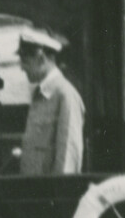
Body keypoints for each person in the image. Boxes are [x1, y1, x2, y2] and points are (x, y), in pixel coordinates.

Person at [15, 27, 86, 174]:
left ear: (41, 58)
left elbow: (68, 158)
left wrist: (59, 194)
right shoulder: (42, 94)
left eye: (25, 61)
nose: (22, 68)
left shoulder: (65, 95)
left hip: (50, 194)